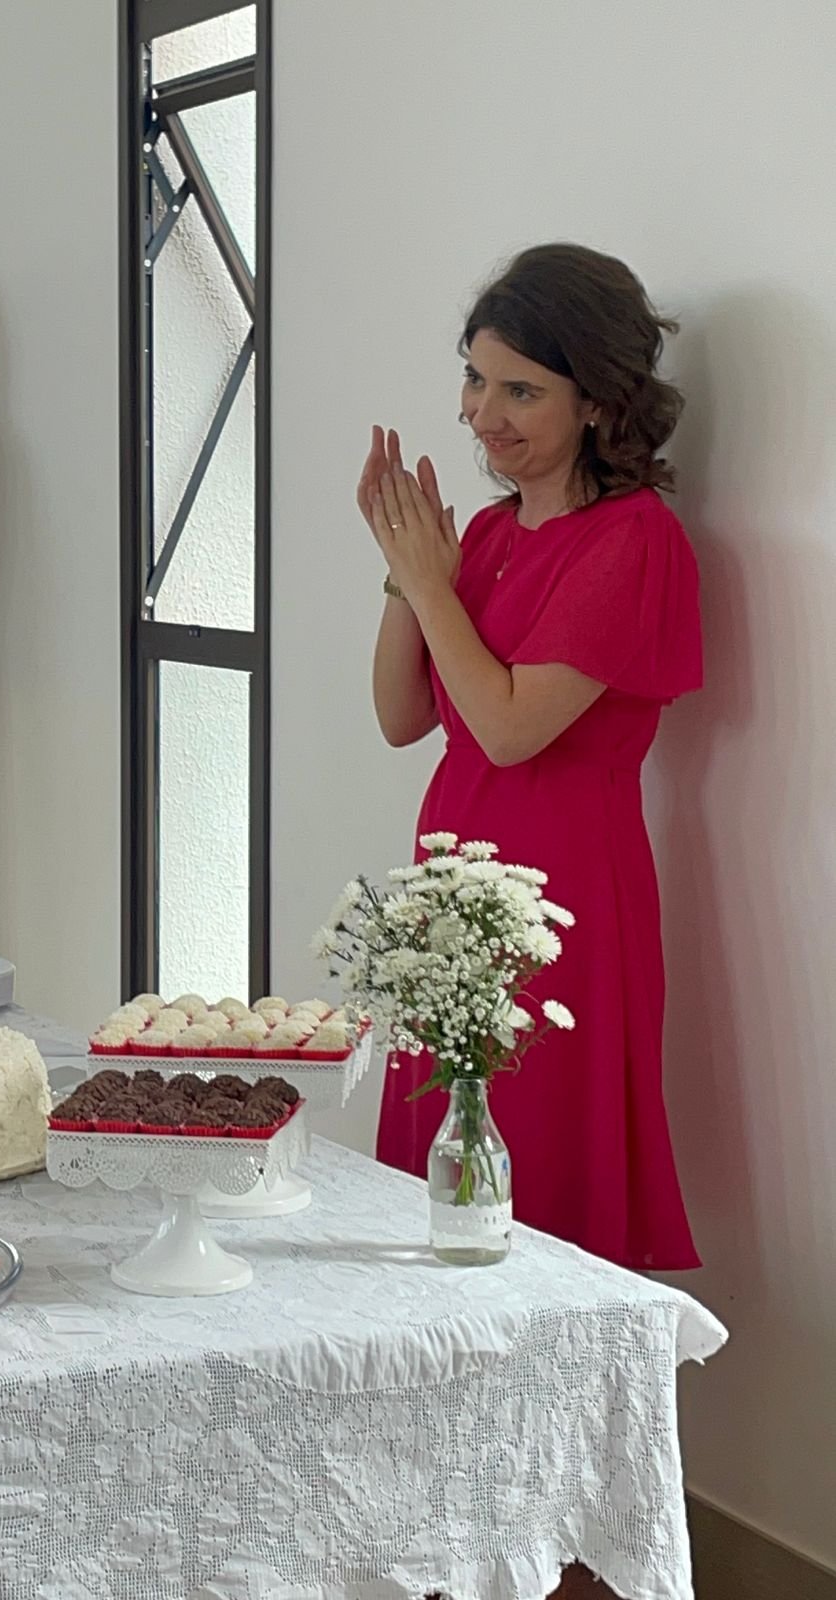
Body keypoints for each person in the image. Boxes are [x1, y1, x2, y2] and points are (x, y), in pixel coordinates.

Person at [359, 242, 702, 1271]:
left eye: (520, 390)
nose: (482, 413)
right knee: (439, 1178)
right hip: (452, 887)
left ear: (596, 401)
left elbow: (510, 729)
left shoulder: (633, 539)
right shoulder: (492, 534)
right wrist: (406, 573)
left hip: (563, 897)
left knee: (537, 1172)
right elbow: (400, 715)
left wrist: (430, 584)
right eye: (475, 379)